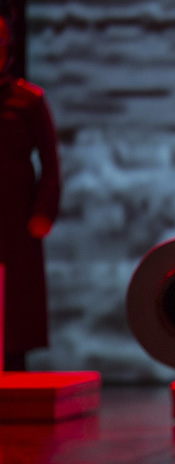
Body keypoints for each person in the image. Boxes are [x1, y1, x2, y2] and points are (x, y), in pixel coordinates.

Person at [0, 16, 61, 371]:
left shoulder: (29, 100)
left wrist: (43, 212)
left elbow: (50, 165)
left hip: (15, 221)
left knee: (15, 314)